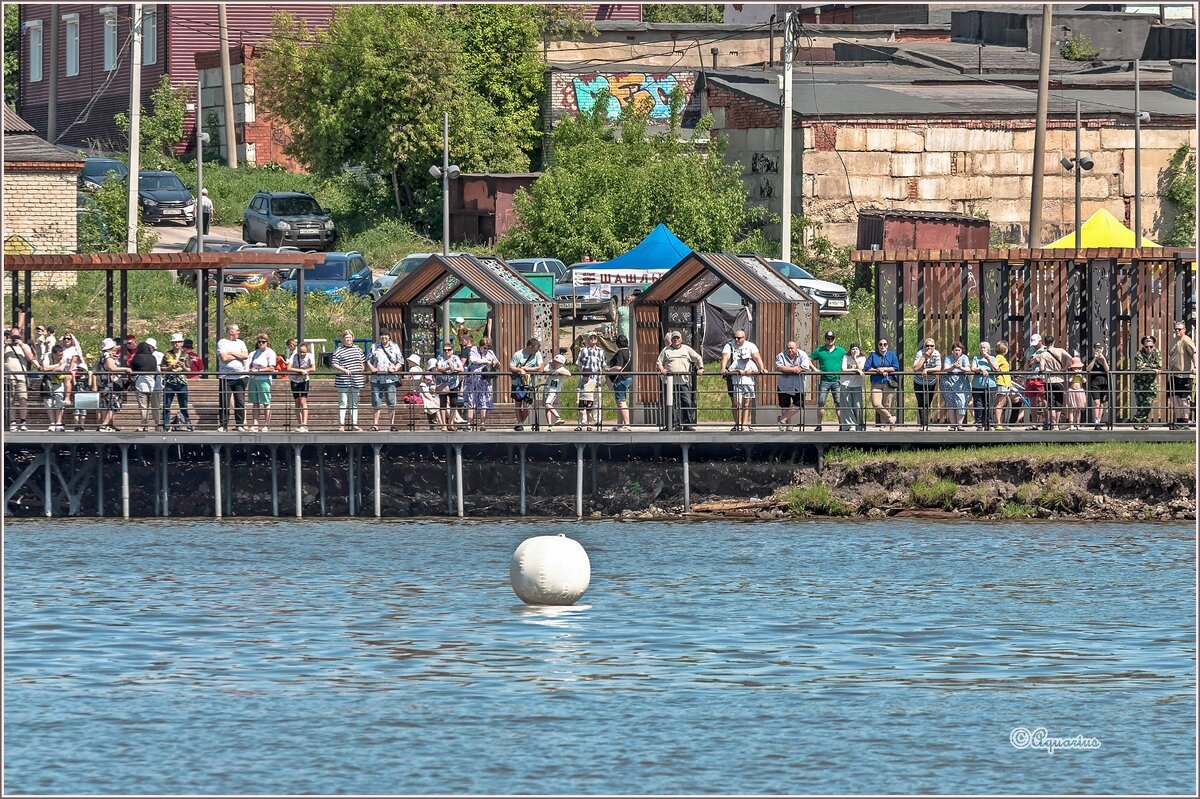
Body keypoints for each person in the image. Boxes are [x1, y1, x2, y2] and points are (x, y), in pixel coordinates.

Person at [657, 331, 704, 431]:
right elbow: (659, 362)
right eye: (674, 338)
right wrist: (662, 369)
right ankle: (671, 424)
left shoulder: (687, 349)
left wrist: (701, 368)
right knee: (670, 403)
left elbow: (698, 357)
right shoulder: (666, 350)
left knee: (686, 402)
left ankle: (687, 424)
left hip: (683, 382)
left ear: (681, 339)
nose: (676, 340)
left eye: (678, 338)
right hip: (669, 382)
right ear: (671, 340)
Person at [722, 330, 765, 432]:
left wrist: (762, 368)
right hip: (733, 379)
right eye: (735, 338)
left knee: (747, 402)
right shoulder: (729, 345)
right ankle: (737, 424)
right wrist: (723, 368)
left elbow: (757, 357)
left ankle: (744, 424)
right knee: (735, 402)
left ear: (744, 338)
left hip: (747, 380)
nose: (736, 340)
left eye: (739, 338)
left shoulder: (750, 346)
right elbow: (725, 356)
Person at [367, 331, 404, 431]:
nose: (384, 337)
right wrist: (372, 369)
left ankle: (392, 424)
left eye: (386, 335)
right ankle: (375, 425)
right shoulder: (374, 346)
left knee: (391, 401)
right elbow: (368, 360)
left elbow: (400, 361)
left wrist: (395, 369)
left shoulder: (395, 346)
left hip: (390, 379)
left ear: (389, 336)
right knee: (376, 402)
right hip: (376, 379)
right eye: (382, 335)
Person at [809, 331, 846, 432]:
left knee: (839, 403)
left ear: (834, 339)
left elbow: (848, 358)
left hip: (837, 380)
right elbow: (808, 358)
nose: (830, 340)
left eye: (832, 338)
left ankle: (842, 425)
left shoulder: (841, 350)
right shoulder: (819, 350)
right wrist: (814, 369)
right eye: (828, 338)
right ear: (825, 339)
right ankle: (819, 425)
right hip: (824, 380)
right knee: (821, 403)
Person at [95, 338, 133, 432]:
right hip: (110, 383)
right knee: (113, 404)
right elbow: (111, 367)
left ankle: (108, 424)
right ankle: (104, 425)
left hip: (104, 382)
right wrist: (126, 369)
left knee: (105, 405)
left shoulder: (103, 355)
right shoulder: (107, 355)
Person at [217, 324, 249, 432]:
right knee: (224, 402)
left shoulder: (241, 342)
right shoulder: (222, 342)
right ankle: (223, 425)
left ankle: (239, 424)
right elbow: (224, 358)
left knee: (240, 401)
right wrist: (237, 355)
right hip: (226, 377)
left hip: (240, 377)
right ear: (231, 331)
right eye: (237, 330)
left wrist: (232, 353)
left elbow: (245, 356)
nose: (239, 332)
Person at [331, 330, 366, 431]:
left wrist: (362, 368)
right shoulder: (339, 350)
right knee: (343, 402)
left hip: (356, 379)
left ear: (353, 338)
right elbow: (334, 363)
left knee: (354, 403)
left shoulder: (358, 349)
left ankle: (354, 423)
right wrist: (343, 370)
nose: (348, 339)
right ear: (342, 339)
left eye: (350, 337)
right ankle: (341, 424)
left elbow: (363, 362)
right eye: (346, 338)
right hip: (343, 380)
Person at [863, 336, 900, 430]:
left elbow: (895, 367)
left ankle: (885, 425)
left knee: (887, 404)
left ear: (887, 346)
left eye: (884, 344)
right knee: (876, 404)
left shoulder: (892, 354)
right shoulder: (873, 355)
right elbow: (867, 368)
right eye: (880, 344)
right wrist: (877, 370)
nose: (882, 346)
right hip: (876, 382)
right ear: (878, 346)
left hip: (888, 382)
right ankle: (891, 419)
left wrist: (885, 369)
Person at [464, 336, 500, 428]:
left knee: (484, 402)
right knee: (471, 401)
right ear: (480, 346)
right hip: (473, 381)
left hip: (485, 381)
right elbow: (473, 360)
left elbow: (497, 363)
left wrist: (496, 363)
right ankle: (469, 424)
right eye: (484, 348)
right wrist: (486, 361)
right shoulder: (473, 350)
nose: (486, 350)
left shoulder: (490, 353)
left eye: (488, 348)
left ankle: (482, 424)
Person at [774, 340, 811, 432]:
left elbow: (804, 368)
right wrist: (794, 369)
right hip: (784, 385)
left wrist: (788, 370)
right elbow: (780, 367)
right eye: (788, 348)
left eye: (792, 348)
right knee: (784, 405)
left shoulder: (803, 355)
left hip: (798, 385)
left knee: (799, 404)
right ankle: (788, 426)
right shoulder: (780, 356)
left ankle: (782, 419)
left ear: (796, 348)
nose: (790, 350)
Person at [509, 338, 543, 431]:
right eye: (535, 349)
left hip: (530, 384)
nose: (536, 351)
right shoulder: (518, 354)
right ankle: (520, 424)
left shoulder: (537, 354)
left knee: (528, 405)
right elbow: (511, 367)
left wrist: (525, 368)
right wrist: (520, 370)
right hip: (518, 384)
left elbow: (539, 367)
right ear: (529, 347)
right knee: (518, 403)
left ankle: (520, 423)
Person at [1167, 321, 1196, 429]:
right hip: (1174, 374)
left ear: (1184, 330)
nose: (1177, 331)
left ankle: (1185, 421)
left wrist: (1195, 367)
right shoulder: (1174, 340)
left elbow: (1194, 353)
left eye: (1179, 329)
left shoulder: (1187, 340)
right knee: (1175, 399)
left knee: (1184, 399)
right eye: (1176, 329)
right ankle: (1178, 421)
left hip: (1185, 375)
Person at [4, 328, 35, 431]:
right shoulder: (6, 347)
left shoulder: (24, 346)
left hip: (21, 377)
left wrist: (21, 344)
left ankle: (23, 421)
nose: (15, 339)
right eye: (13, 337)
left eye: (17, 336)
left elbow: (30, 358)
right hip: (9, 377)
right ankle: (13, 422)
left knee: (23, 399)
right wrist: (5, 344)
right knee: (11, 400)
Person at [162, 333, 193, 431]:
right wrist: (170, 367)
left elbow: (189, 370)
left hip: (182, 382)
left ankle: (186, 424)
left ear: (182, 343)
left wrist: (183, 366)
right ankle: (166, 425)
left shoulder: (186, 355)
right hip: (170, 382)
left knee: (183, 404)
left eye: (179, 342)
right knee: (167, 404)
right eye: (175, 342)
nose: (176, 344)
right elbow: (162, 368)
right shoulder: (167, 354)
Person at [247, 332, 277, 432]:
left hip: (264, 379)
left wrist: (259, 370)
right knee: (255, 402)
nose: (261, 344)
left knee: (265, 402)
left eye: (263, 342)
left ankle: (267, 424)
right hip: (253, 379)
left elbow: (271, 367)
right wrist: (252, 370)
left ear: (267, 342)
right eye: (259, 342)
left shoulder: (270, 353)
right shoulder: (254, 353)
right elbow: (249, 365)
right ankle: (255, 423)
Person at [60, 332, 90, 431]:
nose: (66, 340)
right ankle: (60, 423)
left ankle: (67, 397)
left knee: (80, 401)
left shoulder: (74, 350)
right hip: (62, 371)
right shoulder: (62, 349)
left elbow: (73, 362)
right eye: (65, 339)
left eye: (68, 339)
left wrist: (70, 372)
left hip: (73, 373)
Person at [577, 332, 606, 429]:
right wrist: (582, 376)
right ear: (588, 339)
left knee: (597, 400)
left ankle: (597, 420)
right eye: (591, 338)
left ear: (597, 339)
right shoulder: (583, 350)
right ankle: (583, 421)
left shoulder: (601, 351)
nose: (593, 339)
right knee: (584, 400)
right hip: (585, 381)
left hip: (597, 380)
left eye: (595, 338)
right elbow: (579, 364)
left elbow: (604, 365)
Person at [912, 338, 942, 432]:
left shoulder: (936, 354)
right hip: (919, 381)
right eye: (927, 346)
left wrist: (927, 370)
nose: (929, 347)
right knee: (921, 402)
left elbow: (938, 368)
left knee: (927, 402)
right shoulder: (920, 353)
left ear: (934, 346)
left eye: (931, 346)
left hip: (931, 382)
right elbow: (915, 368)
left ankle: (926, 423)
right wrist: (924, 357)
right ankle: (923, 424)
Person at [434, 342, 465, 431]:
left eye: (449, 350)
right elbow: (439, 368)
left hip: (453, 383)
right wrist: (447, 368)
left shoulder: (456, 358)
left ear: (452, 350)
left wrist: (454, 369)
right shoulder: (440, 357)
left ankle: (451, 423)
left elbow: (461, 368)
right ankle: (444, 424)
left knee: (454, 403)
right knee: (443, 403)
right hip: (443, 383)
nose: (446, 352)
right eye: (445, 350)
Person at [940, 342, 971, 431]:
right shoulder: (948, 358)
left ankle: (959, 425)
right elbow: (946, 368)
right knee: (950, 404)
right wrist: (953, 366)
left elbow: (968, 369)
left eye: (959, 350)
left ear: (962, 351)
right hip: (949, 384)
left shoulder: (964, 358)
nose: (957, 352)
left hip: (961, 385)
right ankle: (953, 425)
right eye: (955, 350)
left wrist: (960, 367)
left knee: (961, 403)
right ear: (952, 351)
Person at [1132, 335, 1161, 429]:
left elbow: (1159, 364)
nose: (1149, 349)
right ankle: (1144, 423)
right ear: (1143, 346)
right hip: (1140, 383)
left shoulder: (1157, 353)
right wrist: (1152, 369)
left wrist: (1147, 366)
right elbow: (1139, 368)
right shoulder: (1139, 354)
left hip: (1151, 383)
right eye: (1147, 347)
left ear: (1154, 346)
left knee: (1148, 403)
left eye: (1151, 346)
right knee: (1140, 403)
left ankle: (1136, 419)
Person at [130, 342, 159, 432]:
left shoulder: (137, 357)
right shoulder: (153, 358)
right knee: (153, 406)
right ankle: (157, 425)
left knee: (143, 406)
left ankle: (144, 425)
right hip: (152, 384)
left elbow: (133, 368)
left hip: (141, 384)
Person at [41, 344, 71, 431]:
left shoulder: (64, 357)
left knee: (59, 401)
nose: (60, 357)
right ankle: (52, 423)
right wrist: (57, 364)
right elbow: (45, 367)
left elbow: (61, 369)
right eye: (58, 355)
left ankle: (59, 423)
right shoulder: (47, 356)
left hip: (58, 382)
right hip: (48, 383)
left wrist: (50, 370)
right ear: (53, 354)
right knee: (48, 403)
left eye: (61, 355)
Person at [607, 334, 633, 432]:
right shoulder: (629, 352)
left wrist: (608, 370)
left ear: (618, 343)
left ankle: (627, 424)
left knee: (621, 402)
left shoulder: (620, 353)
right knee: (619, 402)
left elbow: (618, 367)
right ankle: (619, 424)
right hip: (629, 378)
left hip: (621, 379)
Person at [970, 342, 999, 430]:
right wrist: (981, 369)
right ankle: (979, 423)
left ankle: (989, 423)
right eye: (981, 348)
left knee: (990, 404)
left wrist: (988, 359)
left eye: (985, 348)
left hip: (990, 384)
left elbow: (996, 369)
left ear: (988, 349)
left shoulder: (993, 358)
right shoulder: (976, 358)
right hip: (977, 385)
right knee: (978, 404)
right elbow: (973, 368)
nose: (983, 349)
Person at [839, 343, 867, 431]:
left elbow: (861, 368)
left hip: (857, 385)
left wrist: (855, 359)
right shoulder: (846, 357)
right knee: (847, 406)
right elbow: (844, 369)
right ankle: (850, 426)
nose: (855, 351)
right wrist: (855, 370)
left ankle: (859, 425)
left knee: (857, 406)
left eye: (856, 349)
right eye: (853, 349)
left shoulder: (862, 358)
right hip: (845, 383)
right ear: (850, 350)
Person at [288, 342, 315, 432]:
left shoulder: (310, 356)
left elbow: (313, 368)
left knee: (303, 401)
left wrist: (305, 371)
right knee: (297, 402)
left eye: (304, 352)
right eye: (300, 352)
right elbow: (289, 368)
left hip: (304, 380)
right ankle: (300, 424)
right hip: (294, 380)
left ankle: (304, 424)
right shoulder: (294, 356)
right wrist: (300, 370)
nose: (302, 354)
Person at [1023, 333, 1047, 430]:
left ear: (1041, 341)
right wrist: (1028, 364)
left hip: (1041, 377)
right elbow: (1025, 364)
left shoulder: (1046, 350)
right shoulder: (1029, 350)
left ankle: (1047, 421)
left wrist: (1039, 360)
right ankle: (1034, 423)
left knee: (1044, 399)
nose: (1035, 345)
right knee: (1032, 401)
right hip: (1030, 377)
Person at [1086, 343, 1110, 431]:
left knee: (1101, 403)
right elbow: (1088, 369)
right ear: (1093, 349)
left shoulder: (1105, 359)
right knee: (1096, 402)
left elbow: (1107, 369)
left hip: (1104, 383)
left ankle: (1099, 421)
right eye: (1096, 348)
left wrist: (1102, 358)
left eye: (1099, 349)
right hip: (1094, 383)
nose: (1098, 350)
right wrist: (1095, 359)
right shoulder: (1090, 359)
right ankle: (1096, 421)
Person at [544, 353, 571, 429]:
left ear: (561, 364)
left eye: (557, 362)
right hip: (547, 388)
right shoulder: (551, 367)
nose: (555, 363)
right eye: (554, 361)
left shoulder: (561, 369)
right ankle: (549, 425)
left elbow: (569, 374)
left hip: (554, 390)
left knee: (547, 404)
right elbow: (544, 370)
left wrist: (559, 372)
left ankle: (558, 417)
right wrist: (549, 363)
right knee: (547, 408)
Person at [992, 341, 1015, 431]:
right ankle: (998, 423)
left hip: (1005, 382)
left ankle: (1000, 423)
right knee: (1000, 403)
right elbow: (996, 367)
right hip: (1002, 382)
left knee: (1002, 403)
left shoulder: (1001, 358)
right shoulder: (999, 358)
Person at [1065, 356, 1087, 429]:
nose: (1077, 369)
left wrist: (1081, 375)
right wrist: (1073, 374)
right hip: (1072, 390)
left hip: (1079, 390)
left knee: (1078, 409)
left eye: (1079, 368)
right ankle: (1071, 424)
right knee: (1071, 408)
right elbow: (1070, 380)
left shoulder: (1081, 374)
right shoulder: (1071, 374)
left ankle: (1078, 424)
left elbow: (1084, 381)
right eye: (1075, 368)